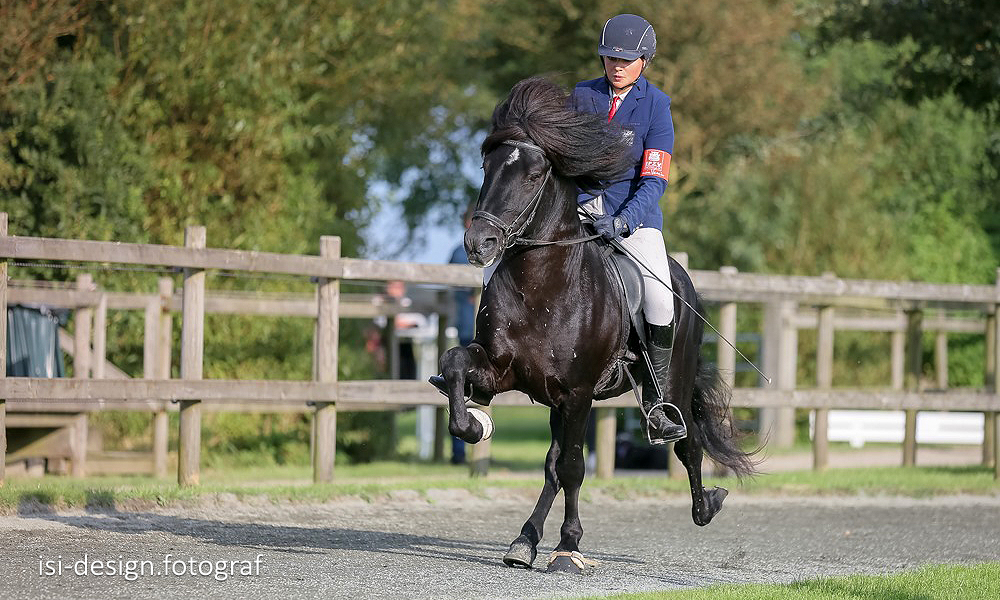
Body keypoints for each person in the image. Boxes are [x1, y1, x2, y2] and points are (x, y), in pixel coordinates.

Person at [571, 13, 685, 443]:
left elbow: (654, 178)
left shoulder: (657, 106)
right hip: (581, 214)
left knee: (660, 299)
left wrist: (624, 220)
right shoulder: (581, 96)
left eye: (626, 59)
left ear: (645, 61)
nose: (616, 66)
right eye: (608, 58)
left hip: (632, 218)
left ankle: (657, 402)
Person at [444, 208, 477, 464]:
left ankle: (464, 453)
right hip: (471, 333)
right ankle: (460, 453)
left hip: (472, 331)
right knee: (461, 391)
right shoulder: (461, 253)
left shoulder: (458, 252)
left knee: (460, 391)